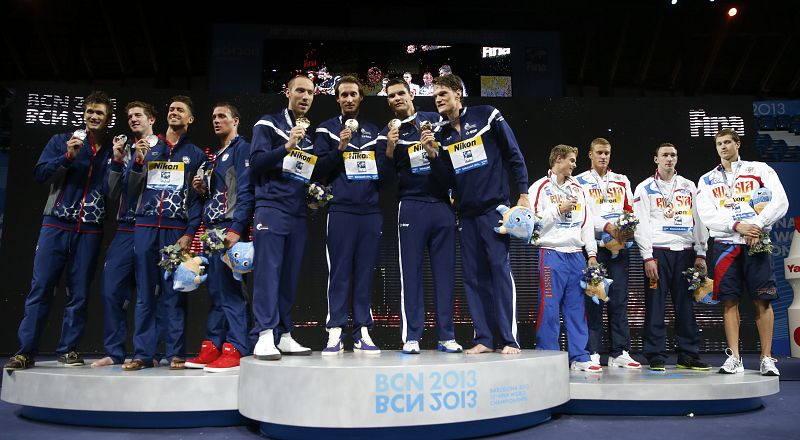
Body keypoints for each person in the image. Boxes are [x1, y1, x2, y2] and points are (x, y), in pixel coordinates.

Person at [4, 91, 114, 370]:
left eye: (99, 112)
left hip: (90, 229)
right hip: (56, 223)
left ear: (108, 118)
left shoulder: (113, 150)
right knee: (41, 288)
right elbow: (40, 174)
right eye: (90, 111)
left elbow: (113, 191)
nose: (93, 116)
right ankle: (25, 351)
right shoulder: (62, 141)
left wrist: (118, 162)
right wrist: (66, 157)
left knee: (79, 293)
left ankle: (68, 350)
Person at [421, 74, 529, 355]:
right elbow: (446, 179)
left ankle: (509, 339)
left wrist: (524, 193)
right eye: (435, 96)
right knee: (472, 277)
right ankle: (484, 338)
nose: (438, 100)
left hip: (494, 210)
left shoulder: (487, 115)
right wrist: (433, 155)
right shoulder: (441, 133)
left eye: (443, 94)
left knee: (499, 272)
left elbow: (513, 154)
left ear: (458, 93)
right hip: (466, 215)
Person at [376, 78, 461, 354]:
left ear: (411, 94)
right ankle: (412, 336)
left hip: (441, 205)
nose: (397, 98)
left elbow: (451, 165)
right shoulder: (387, 133)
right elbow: (384, 181)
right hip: (411, 206)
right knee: (410, 274)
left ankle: (447, 336)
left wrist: (432, 151)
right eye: (391, 96)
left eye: (400, 93)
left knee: (445, 274)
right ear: (388, 102)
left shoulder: (435, 121)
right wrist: (390, 150)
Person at [121, 96, 207, 371]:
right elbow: (128, 190)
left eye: (180, 110)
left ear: (190, 119)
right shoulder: (148, 146)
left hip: (175, 230)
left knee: (174, 292)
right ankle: (142, 354)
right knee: (145, 292)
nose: (174, 112)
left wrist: (190, 232)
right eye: (171, 109)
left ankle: (175, 353)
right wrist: (137, 162)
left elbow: (198, 200)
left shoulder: (196, 155)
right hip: (145, 227)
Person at [696, 128, 787, 376]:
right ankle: (734, 357)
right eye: (719, 144)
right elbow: (706, 214)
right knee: (729, 301)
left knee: (763, 300)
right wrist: (737, 226)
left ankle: (767, 358)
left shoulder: (759, 170)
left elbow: (780, 201)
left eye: (727, 142)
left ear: (737, 144)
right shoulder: (707, 179)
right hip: (725, 244)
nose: (723, 147)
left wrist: (756, 225)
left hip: (757, 242)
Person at [92, 101, 166, 368]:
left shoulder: (164, 149)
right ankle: (114, 351)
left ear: (151, 119)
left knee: (149, 292)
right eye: (130, 116)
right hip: (125, 228)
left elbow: (154, 187)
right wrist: (117, 160)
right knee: (111, 290)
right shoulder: (124, 150)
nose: (133, 119)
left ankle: (149, 353)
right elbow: (112, 193)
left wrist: (140, 162)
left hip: (152, 227)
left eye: (138, 115)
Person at [249, 75, 317, 360]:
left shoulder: (309, 137)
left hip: (297, 212)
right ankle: (264, 335)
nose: (305, 96)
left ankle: (284, 334)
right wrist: (286, 146)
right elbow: (256, 163)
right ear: (287, 92)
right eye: (300, 90)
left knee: (289, 276)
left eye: (310, 92)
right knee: (268, 274)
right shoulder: (268, 124)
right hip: (272, 207)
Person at [314, 76, 383, 355]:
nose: (349, 99)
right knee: (339, 272)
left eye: (353, 94)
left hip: (370, 211)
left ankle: (362, 330)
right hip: (341, 210)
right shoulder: (326, 130)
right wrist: (340, 148)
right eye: (344, 95)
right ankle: (335, 329)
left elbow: (383, 174)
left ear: (361, 97)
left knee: (365, 272)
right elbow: (318, 169)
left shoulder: (374, 132)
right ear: (337, 99)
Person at [185, 102, 254, 372]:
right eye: (213, 116)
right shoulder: (214, 156)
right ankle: (214, 344)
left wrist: (237, 228)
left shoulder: (242, 148)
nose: (216, 120)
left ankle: (237, 345)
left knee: (231, 290)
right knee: (215, 291)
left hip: (229, 228)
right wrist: (203, 190)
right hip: (212, 228)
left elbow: (246, 191)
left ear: (235, 121)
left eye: (222, 116)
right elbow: (219, 194)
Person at [633, 143, 711, 372]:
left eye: (673, 155)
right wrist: (647, 256)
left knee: (685, 305)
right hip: (658, 253)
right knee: (655, 305)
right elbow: (640, 224)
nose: (669, 159)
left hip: (685, 252)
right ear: (656, 159)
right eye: (665, 155)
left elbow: (699, 220)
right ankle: (655, 355)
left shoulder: (688, 186)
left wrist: (701, 252)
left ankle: (688, 355)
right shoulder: (645, 188)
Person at [529, 145, 600, 372]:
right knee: (549, 307)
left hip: (576, 256)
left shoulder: (579, 189)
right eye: (571, 160)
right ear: (558, 159)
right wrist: (558, 209)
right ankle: (548, 356)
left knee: (577, 308)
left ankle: (579, 356)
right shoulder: (539, 188)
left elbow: (587, 224)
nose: (575, 165)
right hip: (551, 253)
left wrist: (591, 254)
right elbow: (531, 224)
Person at [575, 138, 640, 369]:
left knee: (619, 300)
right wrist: (606, 226)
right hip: (594, 249)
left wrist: (627, 229)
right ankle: (592, 351)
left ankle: (619, 352)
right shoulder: (579, 181)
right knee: (594, 299)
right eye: (599, 152)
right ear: (590, 154)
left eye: (607, 153)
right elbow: (583, 215)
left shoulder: (621, 180)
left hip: (619, 249)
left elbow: (629, 210)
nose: (603, 157)